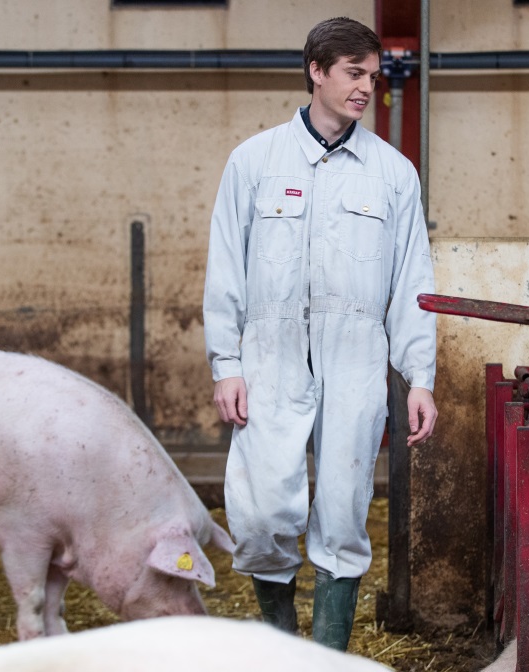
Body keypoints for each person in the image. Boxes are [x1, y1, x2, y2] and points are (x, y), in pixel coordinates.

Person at [202, 16, 438, 652]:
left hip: (356, 358)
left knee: (342, 510)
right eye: (353, 73)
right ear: (317, 70)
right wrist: (226, 363)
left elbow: (413, 279)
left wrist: (420, 377)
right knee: (260, 513)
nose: (366, 87)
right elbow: (225, 265)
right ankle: (282, 652)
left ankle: (326, 660)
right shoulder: (254, 162)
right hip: (269, 356)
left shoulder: (393, 174)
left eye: (373, 75)